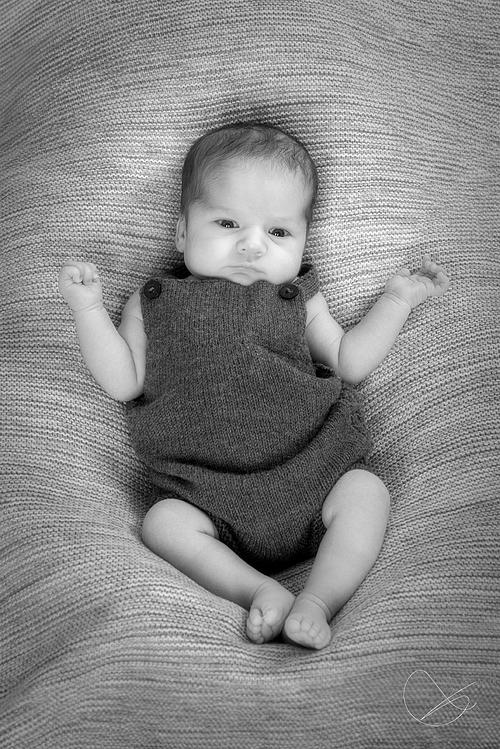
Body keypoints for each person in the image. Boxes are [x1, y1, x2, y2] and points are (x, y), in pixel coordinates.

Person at [59, 123, 450, 650]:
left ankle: (319, 599)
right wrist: (87, 311)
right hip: (206, 496)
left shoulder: (299, 298)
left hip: (314, 471)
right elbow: (123, 381)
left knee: (366, 492)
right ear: (182, 233)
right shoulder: (153, 302)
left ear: (303, 242)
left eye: (279, 233)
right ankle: (258, 590)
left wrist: (396, 301)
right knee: (162, 524)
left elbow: (349, 361)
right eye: (227, 222)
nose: (252, 245)